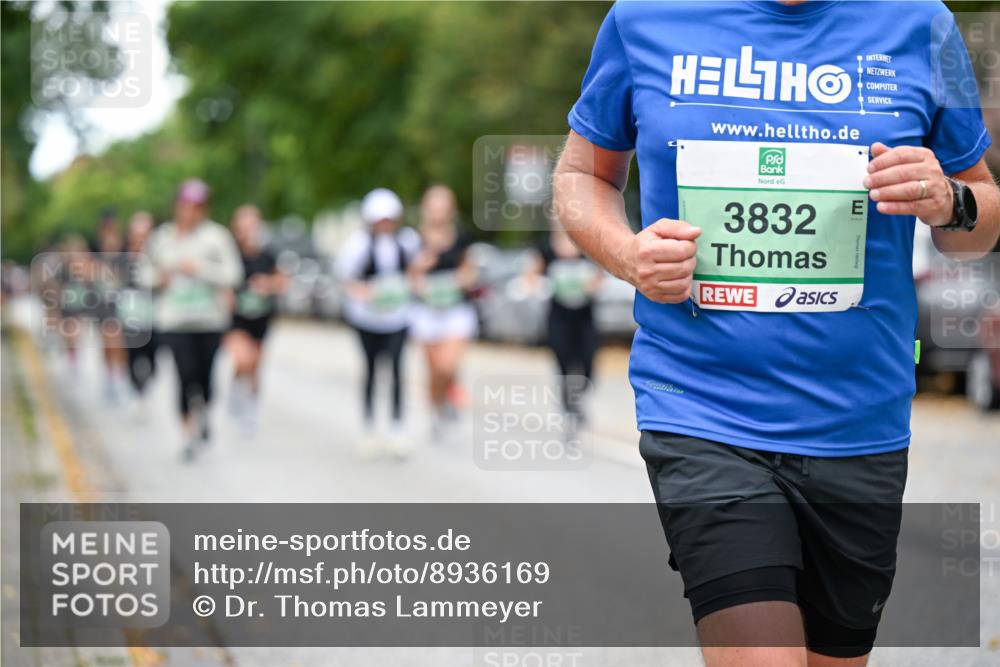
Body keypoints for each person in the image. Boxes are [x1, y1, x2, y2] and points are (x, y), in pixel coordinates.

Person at [554, 2, 1000, 666]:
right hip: (702, 408)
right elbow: (582, 176)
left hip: (860, 422)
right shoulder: (645, 17)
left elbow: (983, 212)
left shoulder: (921, 23)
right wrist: (625, 253)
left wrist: (950, 201)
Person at [147, 179, 243, 461]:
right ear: (177, 206)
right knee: (183, 374)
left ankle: (203, 412)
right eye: (186, 205)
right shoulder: (162, 238)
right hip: (175, 321)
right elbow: (143, 274)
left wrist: (199, 269)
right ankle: (187, 434)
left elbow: (233, 276)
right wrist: (159, 278)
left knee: (205, 378)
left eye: (197, 206)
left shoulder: (217, 237)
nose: (191, 212)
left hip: (209, 320)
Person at [336, 188, 420, 456]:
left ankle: (397, 427)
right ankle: (369, 427)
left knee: (396, 368)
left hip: (397, 317)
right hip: (367, 318)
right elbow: (346, 278)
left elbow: (415, 272)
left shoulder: (407, 241)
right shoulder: (358, 244)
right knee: (371, 369)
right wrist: (365, 291)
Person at [408, 185, 478, 436]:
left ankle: (449, 396)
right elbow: (406, 276)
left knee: (448, 365)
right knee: (434, 368)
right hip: (426, 311)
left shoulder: (460, 237)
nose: (438, 212)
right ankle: (437, 407)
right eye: (433, 206)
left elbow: (470, 271)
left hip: (455, 309)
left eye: (443, 207)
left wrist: (459, 279)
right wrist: (419, 273)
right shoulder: (413, 240)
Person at [523, 223, 603, 424]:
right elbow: (531, 273)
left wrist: (592, 285)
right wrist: (540, 286)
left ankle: (579, 396)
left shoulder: (587, 242)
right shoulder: (545, 246)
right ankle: (568, 405)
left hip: (584, 315)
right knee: (563, 360)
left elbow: (600, 271)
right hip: (558, 316)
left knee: (587, 359)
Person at [225, 204, 287, 434]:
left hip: (261, 316)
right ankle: (235, 389)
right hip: (236, 318)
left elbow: (282, 282)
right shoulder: (230, 254)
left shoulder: (268, 254)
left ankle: (250, 407)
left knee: (256, 365)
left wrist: (266, 285)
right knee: (244, 358)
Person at [119, 212, 159, 416]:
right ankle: (137, 391)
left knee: (153, 355)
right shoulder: (122, 257)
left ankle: (146, 386)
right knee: (132, 353)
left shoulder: (158, 255)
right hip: (130, 313)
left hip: (153, 313)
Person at [93, 209, 130, 402]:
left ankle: (120, 378)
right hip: (103, 303)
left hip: (121, 302)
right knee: (107, 342)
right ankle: (110, 378)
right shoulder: (96, 251)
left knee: (119, 341)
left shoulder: (124, 250)